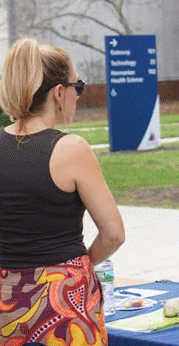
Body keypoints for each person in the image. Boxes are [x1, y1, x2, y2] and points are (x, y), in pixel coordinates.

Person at [0, 38, 126, 344]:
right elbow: (114, 234)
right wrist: (80, 266)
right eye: (77, 87)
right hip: (62, 304)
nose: (78, 96)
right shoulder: (71, 149)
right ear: (59, 92)